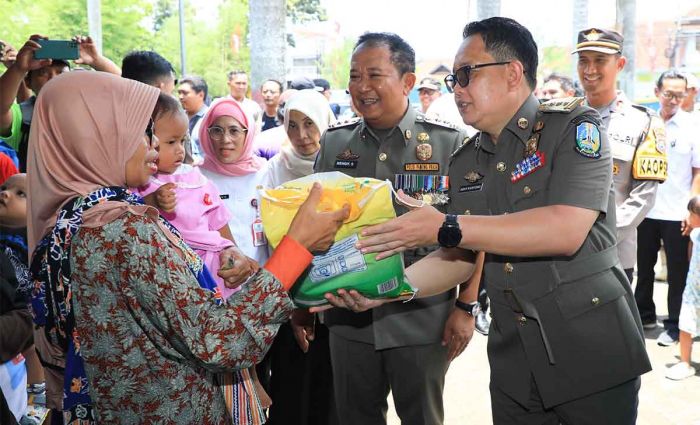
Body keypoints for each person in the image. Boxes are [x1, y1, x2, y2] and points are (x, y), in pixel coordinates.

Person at [322, 17, 652, 424]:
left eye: (466, 75)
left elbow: (566, 229)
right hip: (514, 355)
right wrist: (387, 291)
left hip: (589, 349)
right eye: (453, 80)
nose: (456, 88)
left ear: (513, 73)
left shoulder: (573, 128)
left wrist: (445, 225)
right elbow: (460, 257)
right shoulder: (466, 160)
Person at [26, 71, 348, 423]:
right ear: (96, 137)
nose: (153, 147)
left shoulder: (65, 223)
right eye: (142, 132)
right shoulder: (124, 230)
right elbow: (219, 340)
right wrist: (297, 246)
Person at [313, 32, 472, 425]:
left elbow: (474, 235)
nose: (361, 87)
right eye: (354, 76)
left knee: (423, 417)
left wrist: (466, 307)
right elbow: (312, 232)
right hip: (348, 319)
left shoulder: (448, 143)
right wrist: (303, 307)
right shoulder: (335, 144)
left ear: (407, 82)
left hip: (422, 318)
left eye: (373, 75)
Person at [133, 96, 270, 422]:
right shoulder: (140, 183)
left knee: (232, 326)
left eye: (182, 141)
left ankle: (248, 382)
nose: (179, 150)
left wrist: (234, 256)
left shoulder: (195, 178)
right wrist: (153, 199)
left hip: (213, 266)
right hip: (182, 280)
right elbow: (139, 217)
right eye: (169, 142)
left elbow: (220, 228)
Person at [262, 89, 338, 425]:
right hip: (287, 297)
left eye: (310, 124)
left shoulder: (340, 167)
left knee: (332, 395)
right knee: (291, 392)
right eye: (292, 125)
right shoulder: (274, 172)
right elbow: (267, 239)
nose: (302, 135)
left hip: (337, 298)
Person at [575, 27, 667, 286]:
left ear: (620, 64)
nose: (590, 69)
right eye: (584, 60)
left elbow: (643, 197)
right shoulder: (562, 116)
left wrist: (599, 237)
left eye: (600, 60)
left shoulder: (643, 122)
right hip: (559, 254)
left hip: (612, 255)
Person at [636, 70, 700, 346]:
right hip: (645, 210)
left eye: (679, 94)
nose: (674, 99)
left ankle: (674, 325)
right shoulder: (645, 122)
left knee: (677, 273)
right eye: (668, 94)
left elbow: (698, 171)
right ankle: (644, 315)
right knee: (644, 268)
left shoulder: (692, 126)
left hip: (677, 214)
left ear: (686, 94)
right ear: (657, 92)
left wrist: (691, 210)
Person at [0, 34, 120, 171]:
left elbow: (129, 92)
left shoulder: (93, 109)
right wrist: (18, 68)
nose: (53, 78)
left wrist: (96, 60)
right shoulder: (23, 117)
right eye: (43, 73)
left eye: (61, 72)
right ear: (28, 82)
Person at [666, 195, 700, 379]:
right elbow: (691, 255)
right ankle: (685, 362)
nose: (688, 216)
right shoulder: (695, 233)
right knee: (685, 326)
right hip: (693, 292)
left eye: (691, 213)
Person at [177, 75, 209, 163]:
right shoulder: (177, 118)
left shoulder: (211, 119)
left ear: (201, 95)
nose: (180, 97)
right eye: (179, 93)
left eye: (185, 93)